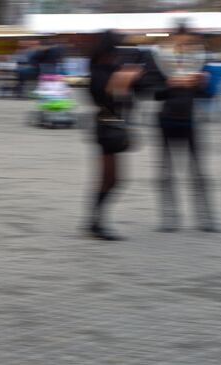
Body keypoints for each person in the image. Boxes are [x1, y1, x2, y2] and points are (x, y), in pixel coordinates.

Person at [152, 24, 220, 232]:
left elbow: (209, 95)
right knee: (166, 172)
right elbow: (153, 92)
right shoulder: (160, 61)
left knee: (199, 172)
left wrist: (203, 83)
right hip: (166, 120)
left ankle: (206, 219)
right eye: (181, 42)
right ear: (173, 41)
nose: (185, 46)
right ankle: (169, 218)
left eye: (189, 42)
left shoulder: (199, 61)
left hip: (191, 120)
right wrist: (170, 84)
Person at [86, 31, 143, 241]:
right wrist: (123, 79)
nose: (118, 54)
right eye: (115, 50)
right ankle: (95, 223)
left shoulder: (110, 68)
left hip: (111, 128)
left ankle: (94, 222)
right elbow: (106, 95)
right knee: (110, 179)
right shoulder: (99, 72)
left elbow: (133, 94)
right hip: (106, 129)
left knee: (112, 180)